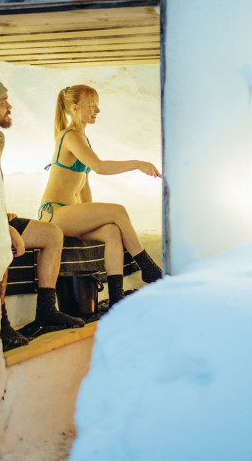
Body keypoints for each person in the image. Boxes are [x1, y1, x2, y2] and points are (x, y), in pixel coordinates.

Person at [37, 84, 163, 307]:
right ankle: (148, 268)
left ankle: (116, 298)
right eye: (92, 105)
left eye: (97, 105)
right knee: (118, 210)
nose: (97, 110)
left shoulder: (82, 138)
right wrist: (137, 163)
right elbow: (99, 167)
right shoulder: (70, 136)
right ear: (75, 108)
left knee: (113, 231)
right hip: (53, 213)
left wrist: (92, 217)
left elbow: (84, 185)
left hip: (70, 215)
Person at [0, 80, 84, 351]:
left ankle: (46, 311)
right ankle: (0, 325)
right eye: (2, 101)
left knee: (51, 234)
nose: (9, 106)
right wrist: (1, 224)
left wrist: (2, 211)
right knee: (0, 244)